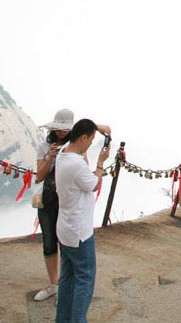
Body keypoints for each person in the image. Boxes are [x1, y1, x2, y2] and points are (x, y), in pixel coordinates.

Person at [33, 110, 110, 303]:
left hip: (69, 201)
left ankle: (64, 286)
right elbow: (39, 177)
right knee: (49, 241)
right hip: (50, 197)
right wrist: (49, 157)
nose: (60, 132)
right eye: (57, 129)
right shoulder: (47, 146)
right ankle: (54, 283)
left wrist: (97, 127)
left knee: (67, 246)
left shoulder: (73, 147)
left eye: (64, 129)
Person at [54, 118, 111, 323]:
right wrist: (101, 162)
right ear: (83, 138)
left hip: (65, 229)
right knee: (85, 280)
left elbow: (81, 126)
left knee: (67, 279)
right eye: (91, 139)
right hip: (80, 233)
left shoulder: (63, 154)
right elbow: (94, 184)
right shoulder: (76, 165)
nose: (91, 144)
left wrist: (97, 127)